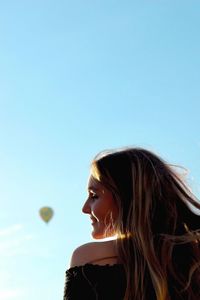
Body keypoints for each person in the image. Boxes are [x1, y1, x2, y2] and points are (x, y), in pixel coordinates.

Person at [63, 147, 200, 300]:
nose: (85, 208)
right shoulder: (192, 257)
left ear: (126, 197)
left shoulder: (89, 257)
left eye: (94, 196)